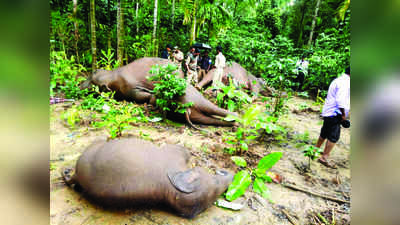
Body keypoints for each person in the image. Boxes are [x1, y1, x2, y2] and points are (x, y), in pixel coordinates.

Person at [315, 66, 350, 168]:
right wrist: (343, 114)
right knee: (334, 136)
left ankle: (315, 150)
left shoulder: (339, 80)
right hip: (335, 113)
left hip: (329, 111)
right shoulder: (346, 83)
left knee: (325, 132)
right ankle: (324, 157)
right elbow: (340, 100)